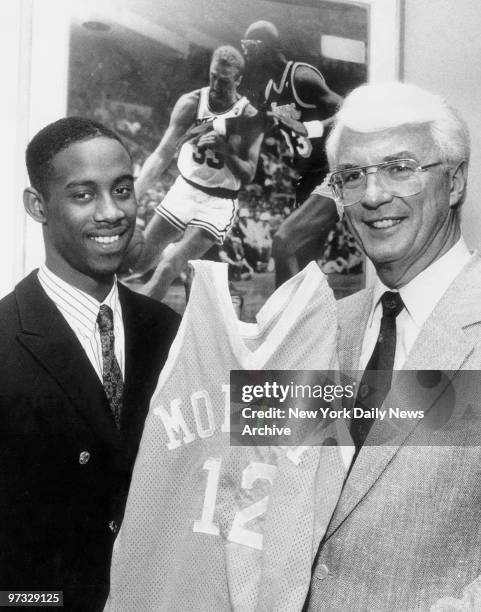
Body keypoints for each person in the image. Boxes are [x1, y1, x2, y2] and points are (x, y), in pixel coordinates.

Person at [305, 82, 481, 611]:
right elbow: (254, 492)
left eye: (401, 167)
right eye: (352, 177)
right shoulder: (316, 330)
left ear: (454, 181)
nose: (374, 196)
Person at [0, 117, 180, 611]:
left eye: (122, 189)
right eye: (83, 195)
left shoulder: (172, 332)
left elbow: (289, 418)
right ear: (38, 206)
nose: (112, 213)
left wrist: (414, 404)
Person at [127, 45, 264, 299]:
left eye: (224, 81)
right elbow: (161, 154)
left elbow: (249, 174)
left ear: (238, 80)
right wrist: (133, 195)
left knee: (167, 269)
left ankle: (133, 325)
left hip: (219, 202)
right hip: (185, 190)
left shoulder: (249, 116)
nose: (215, 85)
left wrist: (226, 151)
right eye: (213, 76)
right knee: (137, 263)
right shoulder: (191, 103)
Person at [242, 20, 342, 285]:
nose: (245, 52)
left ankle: (282, 320)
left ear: (264, 46)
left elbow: (347, 109)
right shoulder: (268, 90)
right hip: (306, 180)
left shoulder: (300, 77)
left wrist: (311, 128)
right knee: (303, 264)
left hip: (331, 171)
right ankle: (301, 321)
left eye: (249, 45)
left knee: (283, 242)